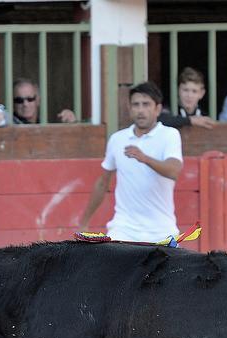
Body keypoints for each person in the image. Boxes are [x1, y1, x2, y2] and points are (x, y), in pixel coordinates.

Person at [78, 81, 183, 243]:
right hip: (123, 229)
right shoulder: (117, 139)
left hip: (161, 230)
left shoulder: (169, 135)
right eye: (136, 104)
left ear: (157, 109)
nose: (140, 110)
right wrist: (84, 223)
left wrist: (145, 158)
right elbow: (102, 183)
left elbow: (173, 171)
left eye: (146, 104)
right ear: (129, 108)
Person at [11, 77, 77, 124]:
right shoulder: (8, 125)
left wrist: (70, 125)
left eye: (30, 99)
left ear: (38, 100)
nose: (25, 104)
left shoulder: (43, 124)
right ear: (12, 104)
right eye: (19, 100)